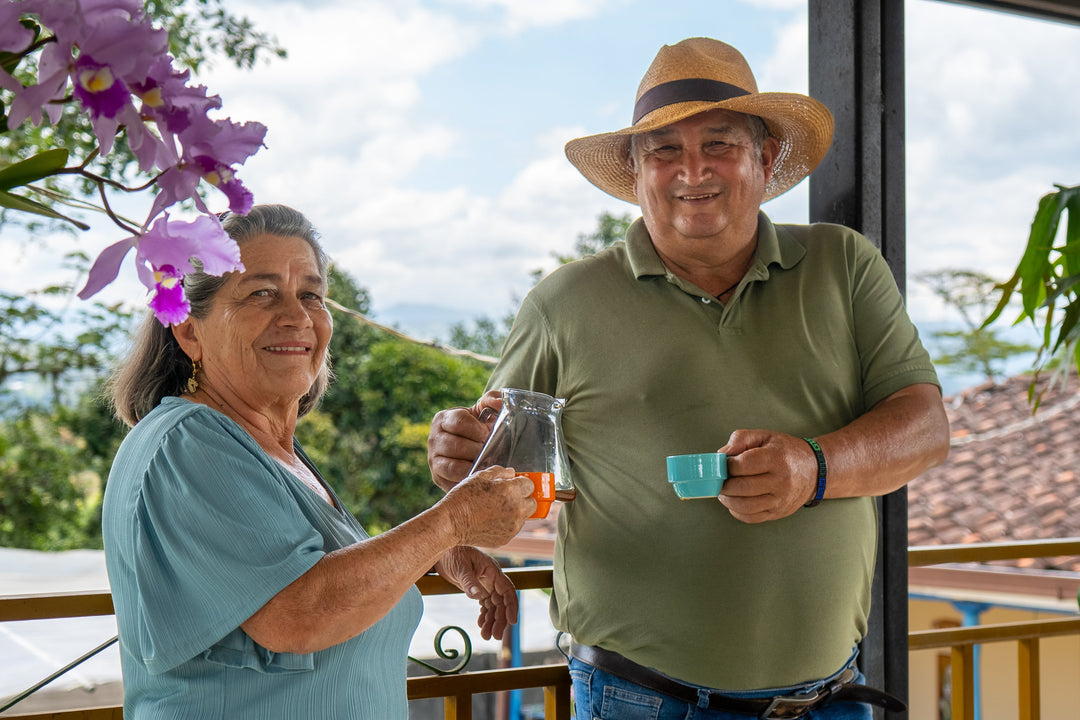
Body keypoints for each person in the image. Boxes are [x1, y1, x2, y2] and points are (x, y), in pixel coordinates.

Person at [427, 38, 950, 719]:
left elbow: (926, 428)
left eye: (719, 145)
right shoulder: (565, 302)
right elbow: (491, 472)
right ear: (637, 173)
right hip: (638, 699)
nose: (691, 170)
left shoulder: (842, 265)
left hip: (828, 700)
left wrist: (813, 467)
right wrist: (455, 460)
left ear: (763, 158)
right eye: (664, 150)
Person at [101, 204, 537, 719]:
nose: (297, 316)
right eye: (261, 293)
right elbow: (299, 612)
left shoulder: (268, 450)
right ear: (189, 332)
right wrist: (451, 522)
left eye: (311, 295)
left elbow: (310, 569)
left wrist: (434, 553)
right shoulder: (187, 444)